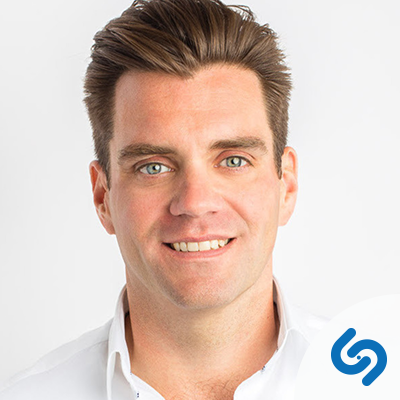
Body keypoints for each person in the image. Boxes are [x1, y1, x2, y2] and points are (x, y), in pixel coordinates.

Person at [0, 0, 326, 399]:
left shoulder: (377, 386)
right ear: (103, 197)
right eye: (153, 167)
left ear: (286, 185)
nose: (195, 202)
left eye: (234, 160)